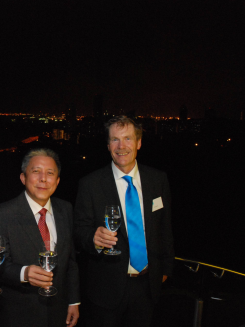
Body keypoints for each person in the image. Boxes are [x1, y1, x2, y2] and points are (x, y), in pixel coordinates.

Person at [74, 116, 174, 327]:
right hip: (106, 288)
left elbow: (164, 227)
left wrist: (165, 269)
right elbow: (80, 230)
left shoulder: (158, 179)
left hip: (148, 285)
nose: (121, 146)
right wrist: (93, 238)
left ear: (138, 142)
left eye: (127, 139)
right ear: (108, 144)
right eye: (115, 140)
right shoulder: (90, 184)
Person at [0, 148, 80, 327]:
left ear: (58, 180)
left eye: (50, 173)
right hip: (19, 315)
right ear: (23, 178)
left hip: (58, 311)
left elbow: (71, 261)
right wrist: (25, 273)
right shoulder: (2, 214)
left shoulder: (65, 209)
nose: (43, 179)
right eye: (36, 171)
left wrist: (73, 302)